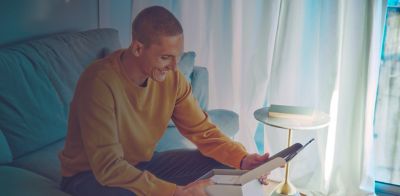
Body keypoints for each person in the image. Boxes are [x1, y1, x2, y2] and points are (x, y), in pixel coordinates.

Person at [59, 5, 270, 196]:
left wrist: (243, 159)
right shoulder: (99, 82)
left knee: (226, 165)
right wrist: (173, 192)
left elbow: (202, 131)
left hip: (141, 164)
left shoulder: (172, 79)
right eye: (165, 57)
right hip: (89, 176)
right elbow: (108, 166)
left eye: (176, 57)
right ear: (138, 48)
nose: (173, 67)